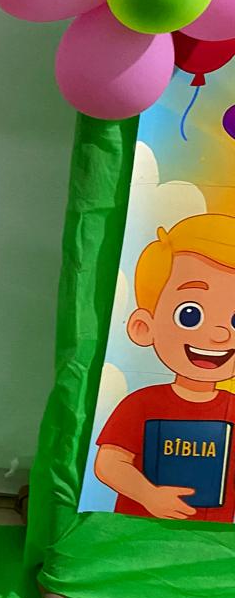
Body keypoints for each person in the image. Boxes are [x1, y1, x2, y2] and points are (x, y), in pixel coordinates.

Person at [95, 214, 235, 522]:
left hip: (213, 537)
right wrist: (148, 495)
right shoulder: (141, 403)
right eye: (190, 314)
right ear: (144, 326)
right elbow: (109, 462)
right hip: (139, 529)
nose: (220, 334)